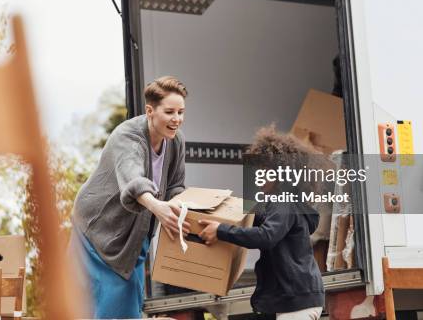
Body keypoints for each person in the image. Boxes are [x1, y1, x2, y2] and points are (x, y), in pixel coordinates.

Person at [69, 76, 191, 319]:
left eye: (181, 112)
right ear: (150, 111)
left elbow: (176, 185)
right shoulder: (128, 136)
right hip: (100, 229)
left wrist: (179, 210)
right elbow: (133, 180)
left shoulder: (176, 142)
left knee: (127, 301)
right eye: (169, 112)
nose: (176, 119)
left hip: (135, 231)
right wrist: (158, 207)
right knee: (102, 302)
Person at [198, 126, 328, 320]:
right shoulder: (280, 203)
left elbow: (266, 236)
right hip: (296, 298)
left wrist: (221, 230)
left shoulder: (282, 202)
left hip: (296, 301)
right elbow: (252, 221)